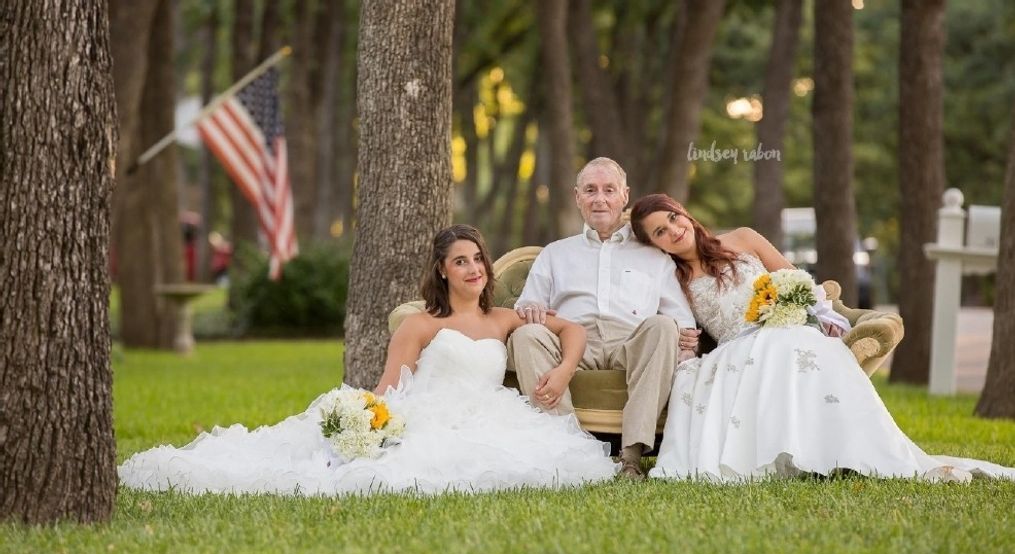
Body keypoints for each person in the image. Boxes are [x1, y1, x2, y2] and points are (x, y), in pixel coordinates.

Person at [119, 225, 618, 496]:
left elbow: (571, 329)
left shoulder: (505, 318)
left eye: (477, 259)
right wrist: (370, 423)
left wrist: (564, 368)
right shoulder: (420, 324)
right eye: (459, 261)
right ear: (442, 273)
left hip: (489, 412)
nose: (473, 269)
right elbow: (389, 388)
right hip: (431, 413)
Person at [629, 193, 1015, 482]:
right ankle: (795, 459)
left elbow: (798, 281)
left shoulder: (743, 239)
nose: (674, 231)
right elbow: (683, 326)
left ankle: (852, 452)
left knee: (805, 345)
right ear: (655, 244)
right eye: (660, 232)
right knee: (771, 349)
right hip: (734, 345)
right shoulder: (673, 277)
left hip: (784, 326)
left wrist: (813, 313)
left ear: (684, 213)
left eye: (673, 218)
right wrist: (686, 340)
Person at [510, 157, 698, 480]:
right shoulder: (556, 253)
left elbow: (681, 321)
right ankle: (571, 448)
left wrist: (684, 337)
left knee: (664, 326)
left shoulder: (654, 255)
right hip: (571, 345)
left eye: (609, 190)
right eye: (591, 190)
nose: (600, 199)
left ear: (624, 195)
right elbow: (528, 304)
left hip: (632, 345)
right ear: (577, 197)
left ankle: (631, 458)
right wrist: (530, 309)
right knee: (525, 335)